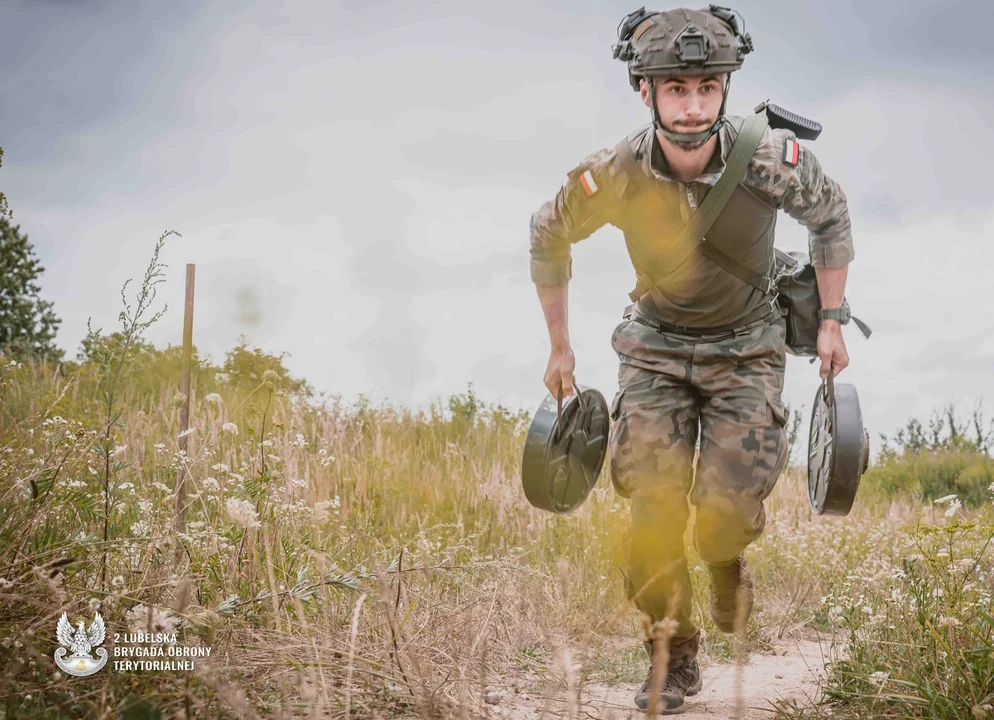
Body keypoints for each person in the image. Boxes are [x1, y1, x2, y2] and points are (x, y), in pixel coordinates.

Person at [529, 6, 855, 714]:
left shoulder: (768, 160)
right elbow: (547, 233)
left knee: (725, 507)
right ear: (644, 91)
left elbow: (831, 215)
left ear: (726, 89)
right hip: (654, 349)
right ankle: (670, 658)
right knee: (649, 502)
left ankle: (725, 556)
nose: (692, 104)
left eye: (707, 87)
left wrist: (830, 322)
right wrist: (559, 345)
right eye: (675, 89)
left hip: (748, 347)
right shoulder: (614, 172)